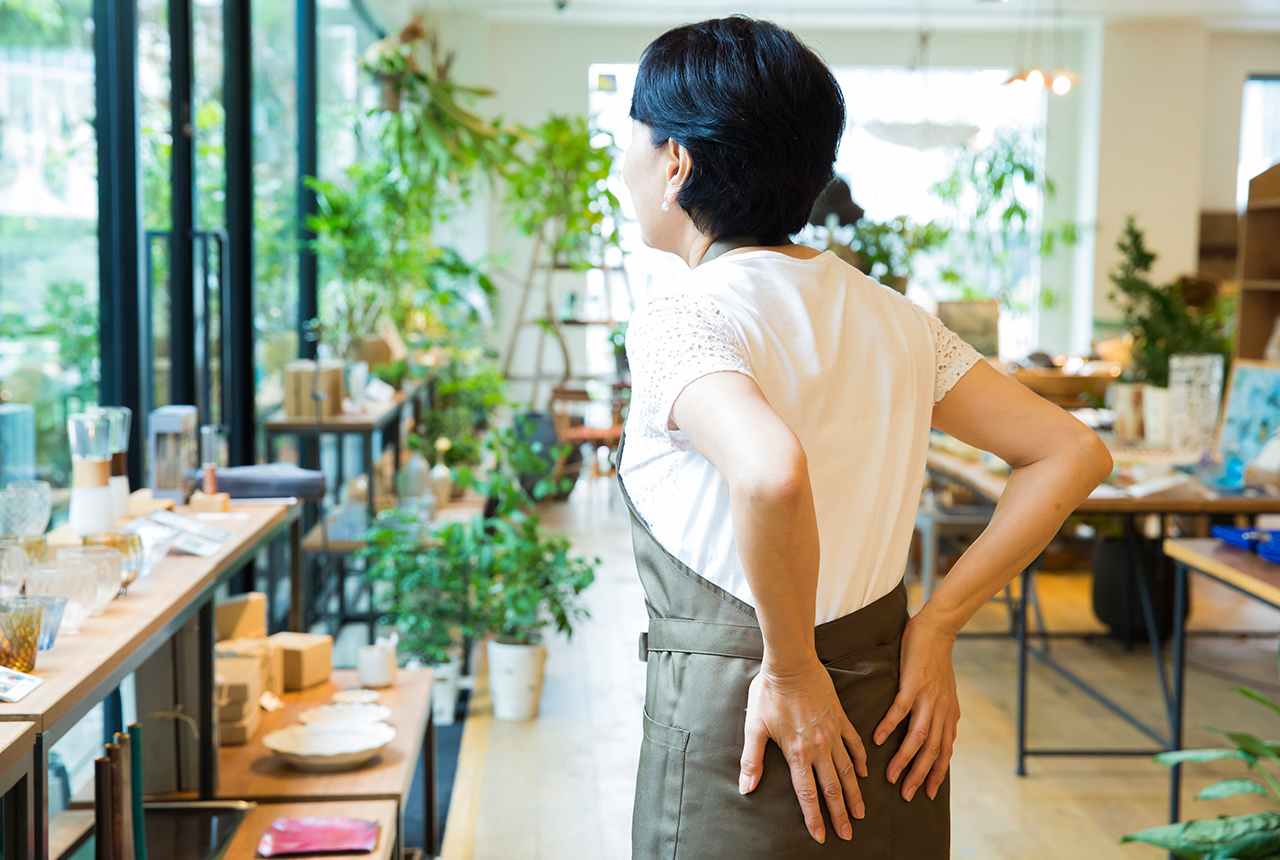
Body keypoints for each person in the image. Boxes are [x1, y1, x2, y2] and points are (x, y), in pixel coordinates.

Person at [618, 16, 1112, 859]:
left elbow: (772, 474)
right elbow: (1071, 450)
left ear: (677, 165)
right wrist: (940, 623)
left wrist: (791, 668)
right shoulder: (897, 320)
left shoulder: (684, 317)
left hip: (752, 718)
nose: (621, 163)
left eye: (628, 138)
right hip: (891, 710)